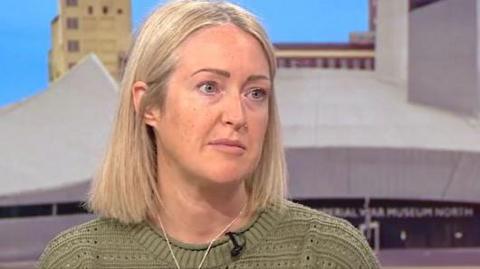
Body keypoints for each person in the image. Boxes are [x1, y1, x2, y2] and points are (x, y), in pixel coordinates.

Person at [39, 0, 380, 268]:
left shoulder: (329, 255)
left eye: (255, 93)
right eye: (209, 87)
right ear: (148, 106)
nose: (237, 116)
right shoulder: (79, 260)